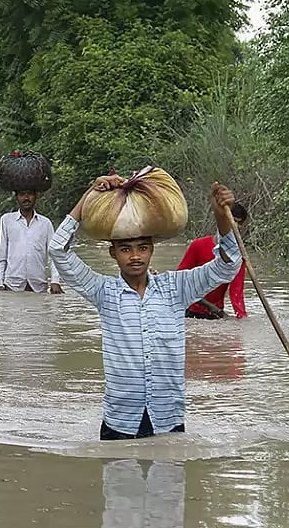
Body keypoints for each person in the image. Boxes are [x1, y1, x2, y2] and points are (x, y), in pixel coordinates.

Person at [48, 179, 242, 441]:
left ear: (151, 250)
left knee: (169, 481)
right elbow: (58, 250)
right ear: (112, 253)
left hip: (168, 418)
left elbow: (227, 267)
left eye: (142, 248)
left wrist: (221, 218)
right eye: (126, 249)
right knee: (120, 479)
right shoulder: (104, 292)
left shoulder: (176, 288)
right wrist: (90, 194)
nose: (135, 256)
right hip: (120, 421)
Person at [177, 201, 248, 319]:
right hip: (190, 312)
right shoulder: (197, 246)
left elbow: (237, 293)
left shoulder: (238, 256)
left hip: (216, 314)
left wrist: (242, 320)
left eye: (239, 223)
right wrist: (209, 305)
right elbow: (180, 281)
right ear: (222, 221)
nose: (236, 226)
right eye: (233, 221)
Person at [0, 189, 64, 294]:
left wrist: (55, 281)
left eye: (30, 194)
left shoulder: (45, 223)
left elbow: (53, 255)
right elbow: (2, 254)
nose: (26, 198)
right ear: (16, 198)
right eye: (22, 194)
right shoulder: (6, 220)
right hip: (12, 286)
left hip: (38, 287)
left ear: (36, 197)